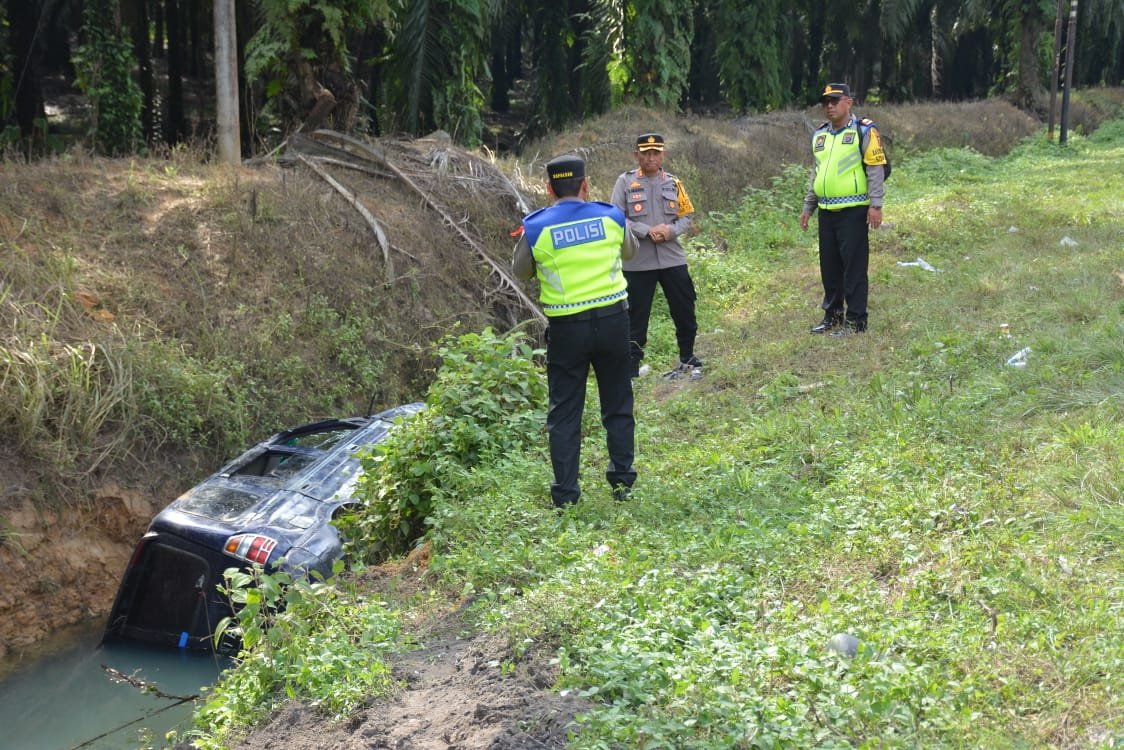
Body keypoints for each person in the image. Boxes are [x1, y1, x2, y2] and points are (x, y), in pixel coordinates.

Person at [513, 154, 639, 508]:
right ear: (585, 185)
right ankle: (622, 484)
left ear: (549, 188)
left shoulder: (537, 227)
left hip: (568, 329)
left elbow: (521, 270)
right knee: (617, 400)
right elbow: (631, 252)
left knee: (565, 412)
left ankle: (566, 496)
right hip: (614, 322)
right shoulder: (610, 216)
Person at [610, 133, 702, 380]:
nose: (651, 158)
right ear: (636, 155)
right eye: (646, 153)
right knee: (636, 317)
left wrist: (670, 230)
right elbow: (616, 218)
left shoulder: (674, 182)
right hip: (638, 261)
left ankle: (687, 356)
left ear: (663, 155)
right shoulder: (625, 182)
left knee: (684, 308)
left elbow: (687, 216)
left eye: (656, 153)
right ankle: (631, 368)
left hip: (672, 258)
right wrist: (646, 231)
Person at [799, 82, 887, 335]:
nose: (829, 106)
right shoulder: (820, 135)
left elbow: (875, 169)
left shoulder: (864, 131)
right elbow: (817, 174)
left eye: (835, 101)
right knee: (830, 267)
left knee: (854, 268)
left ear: (849, 102)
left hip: (854, 211)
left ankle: (856, 320)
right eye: (825, 102)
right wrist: (808, 207)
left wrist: (876, 205)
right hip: (826, 212)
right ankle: (833, 316)